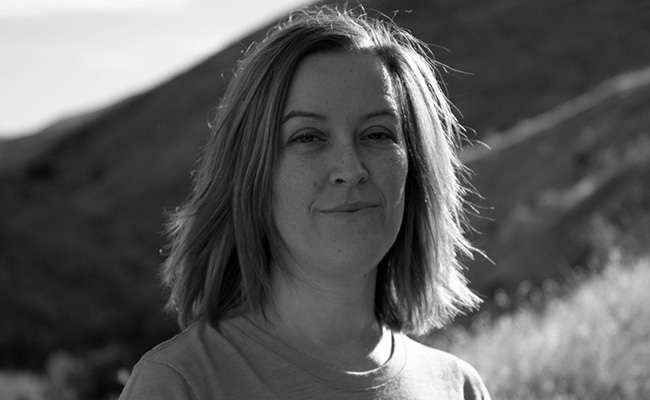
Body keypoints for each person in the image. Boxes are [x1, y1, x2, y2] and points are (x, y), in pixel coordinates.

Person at [119, 5, 490, 399]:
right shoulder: (180, 384)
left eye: (377, 134)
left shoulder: (457, 386)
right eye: (308, 137)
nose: (351, 169)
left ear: (414, 168)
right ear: (252, 175)